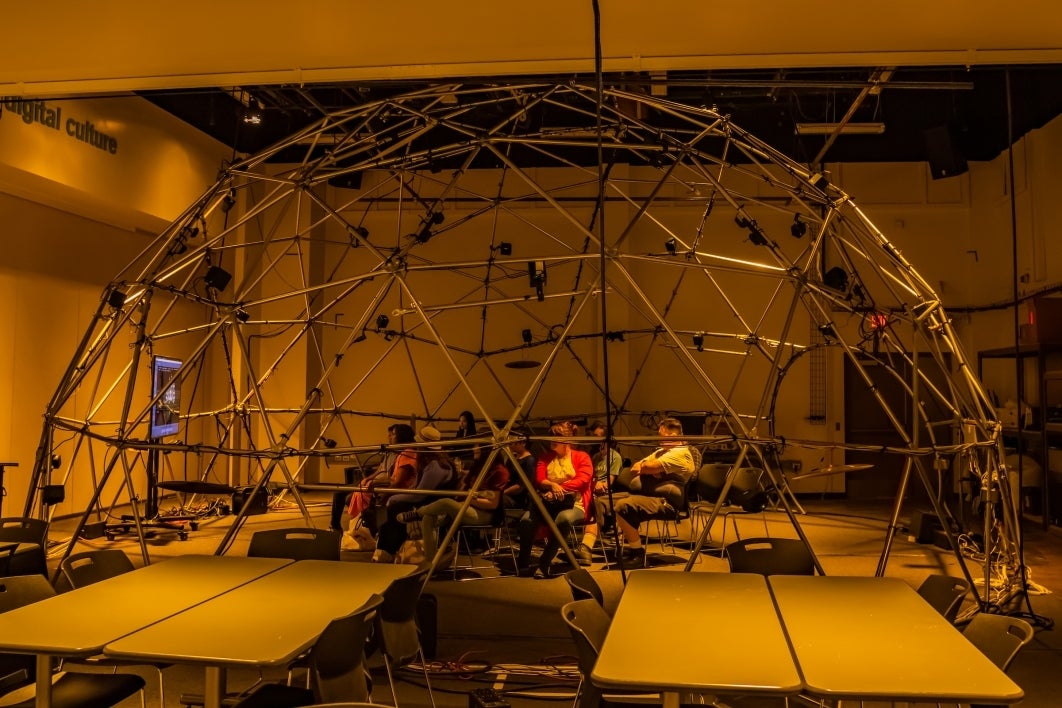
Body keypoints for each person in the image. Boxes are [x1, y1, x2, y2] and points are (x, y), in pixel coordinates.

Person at [613, 416, 699, 568]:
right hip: (651, 496)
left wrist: (647, 469)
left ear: (673, 436)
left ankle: (637, 553)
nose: (659, 440)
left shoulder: (680, 453)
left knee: (622, 506)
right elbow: (635, 468)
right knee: (606, 502)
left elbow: (646, 468)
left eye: (661, 436)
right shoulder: (661, 451)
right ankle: (615, 543)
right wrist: (648, 468)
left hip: (668, 503)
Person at [397, 453, 510, 564]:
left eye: (477, 446)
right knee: (428, 517)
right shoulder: (478, 467)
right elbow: (462, 489)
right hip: (465, 505)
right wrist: (465, 492)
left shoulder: (499, 471)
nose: (475, 449)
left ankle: (417, 513)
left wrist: (469, 498)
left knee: (446, 502)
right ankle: (431, 561)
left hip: (484, 514)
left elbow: (492, 504)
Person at [516, 421, 593, 578]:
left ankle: (544, 563)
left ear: (566, 440)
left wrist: (561, 489)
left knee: (563, 520)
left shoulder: (581, 457)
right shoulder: (545, 457)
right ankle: (522, 562)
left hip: (574, 503)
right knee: (526, 521)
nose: (551, 440)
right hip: (549, 502)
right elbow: (539, 479)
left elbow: (583, 480)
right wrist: (551, 485)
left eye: (555, 437)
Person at [371, 425, 457, 563]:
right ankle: (388, 551)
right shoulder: (431, 463)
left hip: (434, 506)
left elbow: (419, 494)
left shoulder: (435, 466)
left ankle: (387, 551)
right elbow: (416, 489)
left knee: (395, 510)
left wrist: (393, 498)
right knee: (393, 515)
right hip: (428, 501)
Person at [338, 424, 418, 551]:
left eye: (393, 434)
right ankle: (367, 533)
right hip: (388, 487)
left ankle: (372, 535)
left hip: (397, 491)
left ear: (402, 436)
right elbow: (387, 474)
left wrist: (381, 491)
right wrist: (371, 480)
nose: (389, 437)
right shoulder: (397, 452)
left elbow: (397, 481)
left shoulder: (408, 454)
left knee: (361, 500)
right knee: (346, 494)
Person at [573, 420, 623, 565]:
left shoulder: (614, 457)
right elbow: (589, 477)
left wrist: (595, 485)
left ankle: (586, 547)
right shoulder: (595, 457)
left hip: (604, 494)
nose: (596, 440)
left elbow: (608, 484)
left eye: (598, 436)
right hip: (591, 489)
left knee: (591, 502)